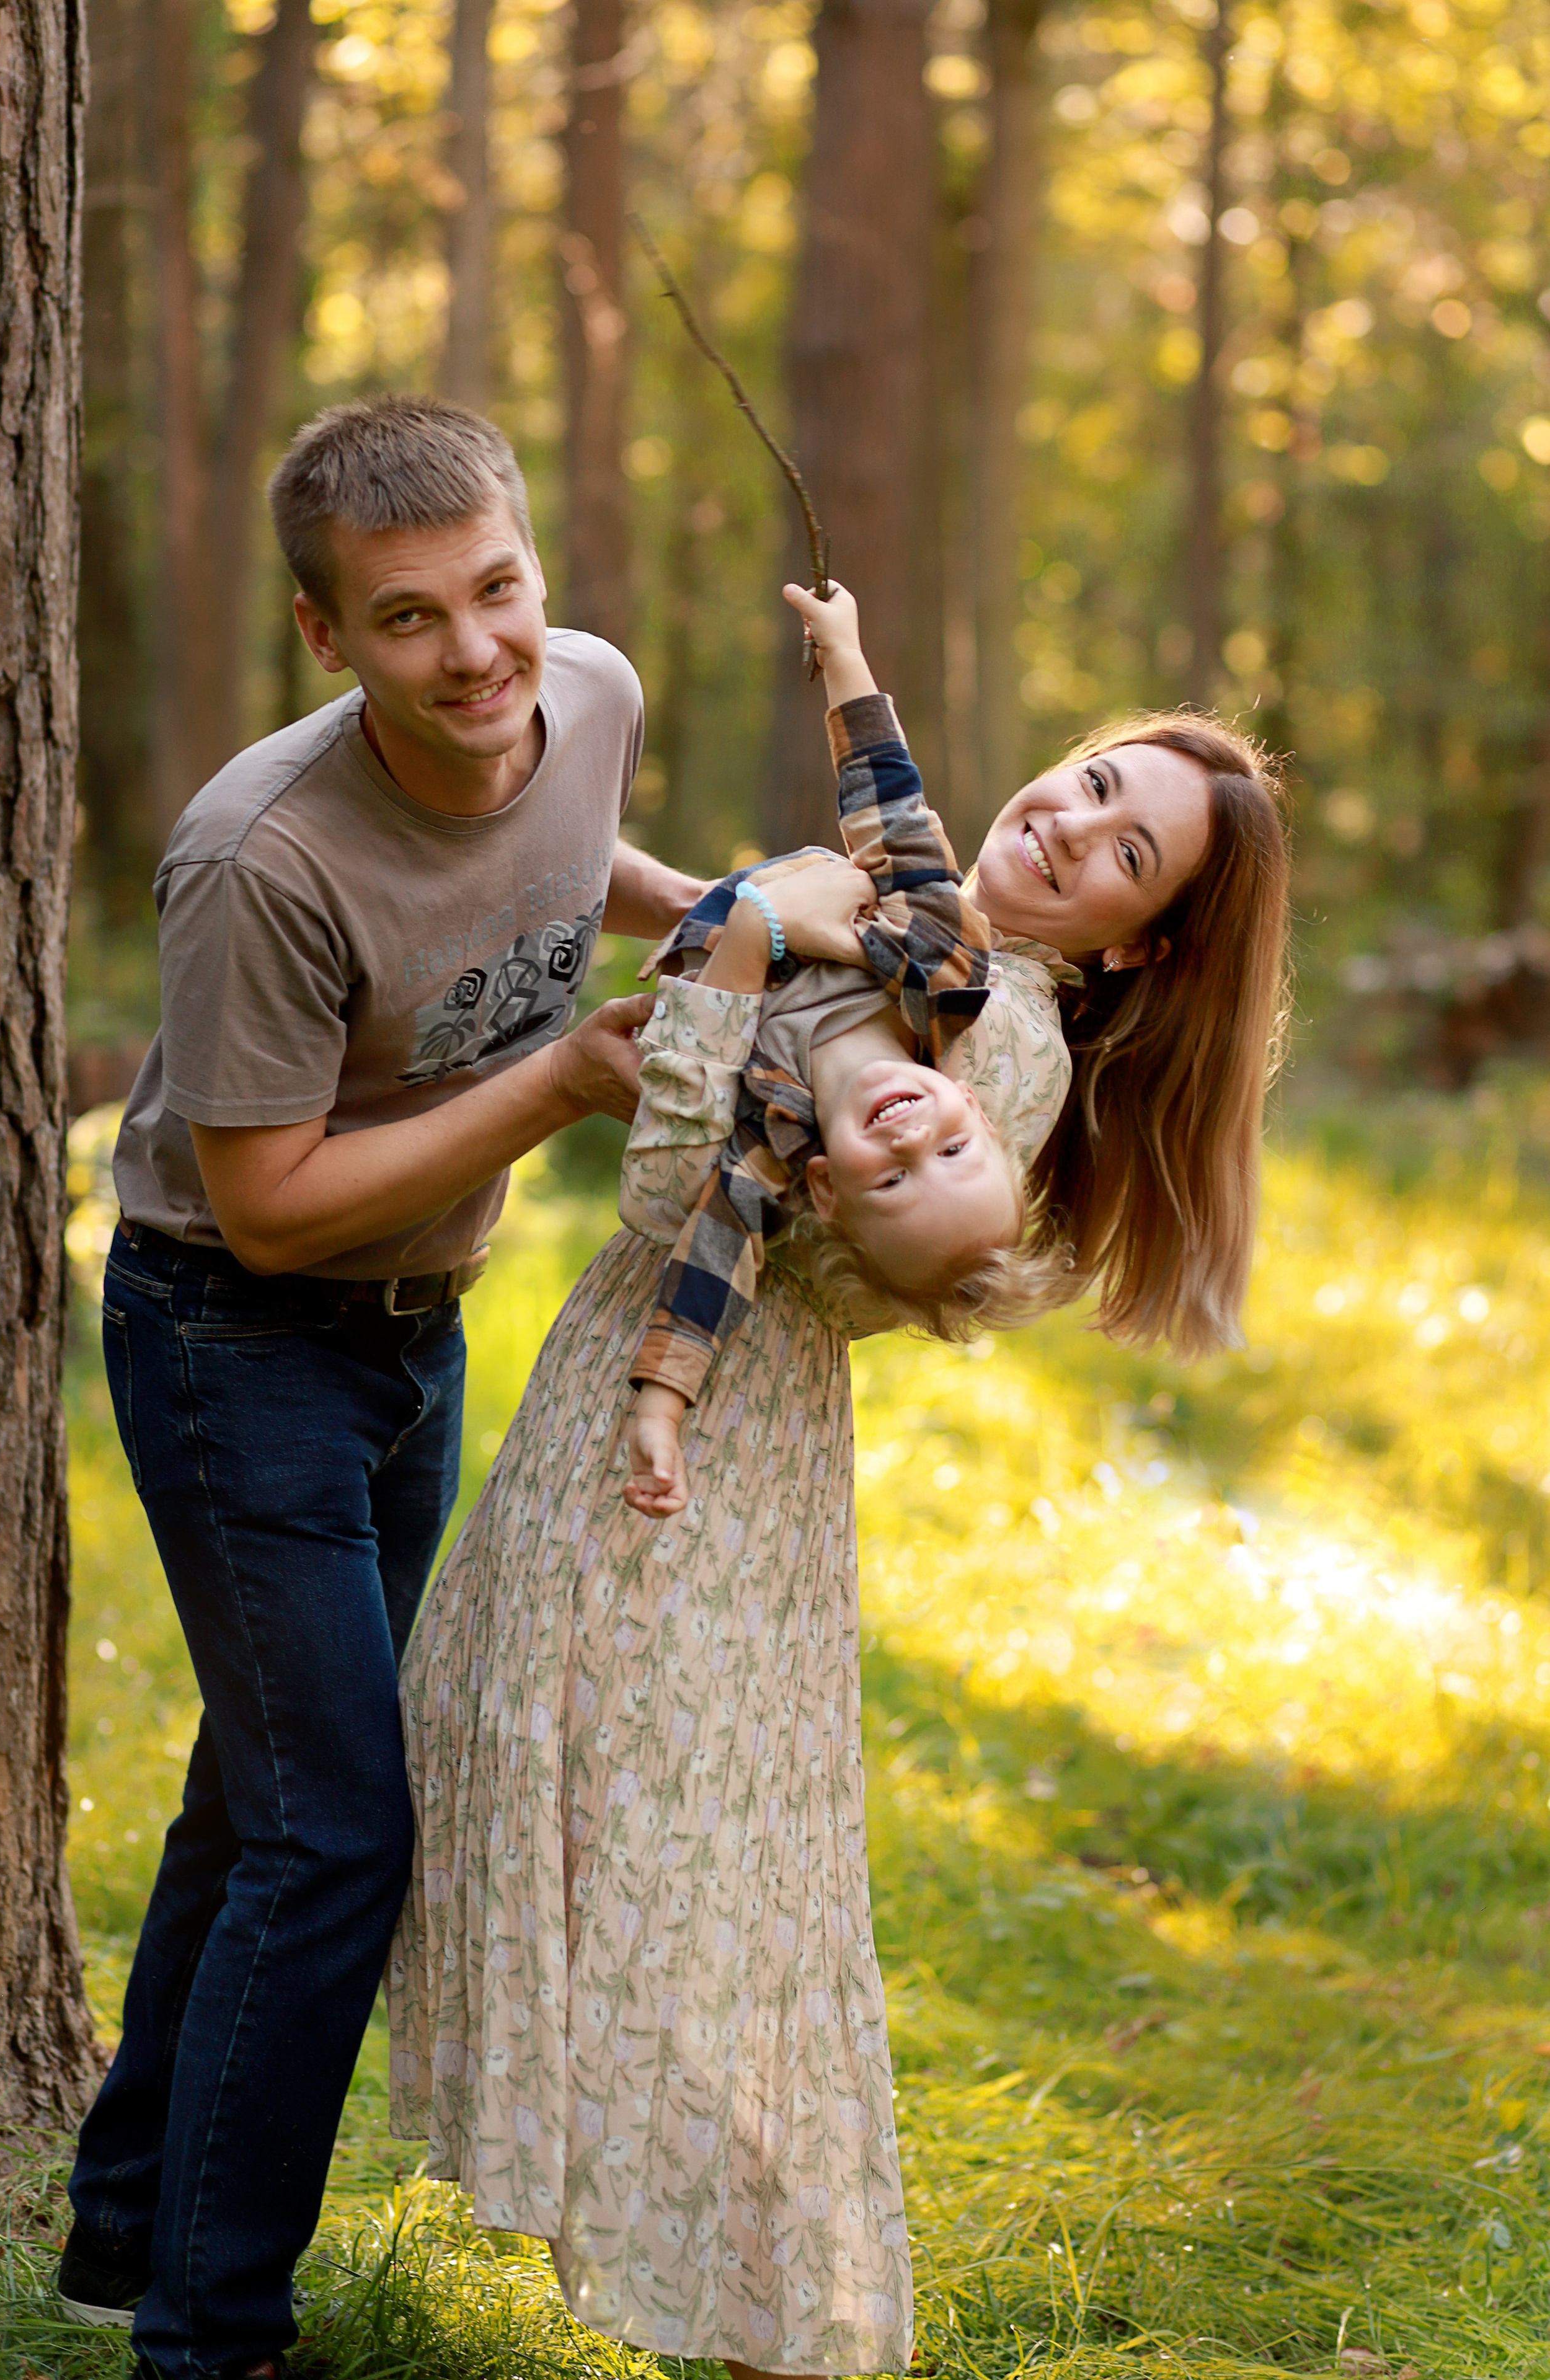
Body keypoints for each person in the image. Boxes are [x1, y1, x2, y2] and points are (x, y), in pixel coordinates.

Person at [388, 583, 1290, 2376]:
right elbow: (878, 830)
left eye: (1126, 853)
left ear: (1138, 945)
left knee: (659, 1865)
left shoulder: (997, 1041)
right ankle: (727, 2291)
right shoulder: (929, 920)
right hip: (650, 1411)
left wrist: (730, 940)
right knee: (616, 1830)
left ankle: (762, 2318)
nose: (1069, 823)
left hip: (705, 1449)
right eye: (1091, 780)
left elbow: (679, 1194)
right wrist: (836, 683)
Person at [57, 394, 706, 2380]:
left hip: (419, 1330)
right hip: (235, 1340)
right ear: (330, 640)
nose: (480, 653)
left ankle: (118, 2234)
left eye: (498, 590)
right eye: (412, 620)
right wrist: (563, 1080)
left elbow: (569, 850)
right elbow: (259, 1213)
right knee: (339, 1835)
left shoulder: (582, 689)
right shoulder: (261, 860)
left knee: (254, 1807)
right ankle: (212, 2334)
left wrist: (722, 920)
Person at [621, 574, 1069, 1520]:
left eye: (894, 1181)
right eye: (951, 1150)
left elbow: (707, 1272)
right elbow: (894, 817)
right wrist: (845, 657)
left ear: (824, 1188)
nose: (912, 1141)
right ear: (978, 1109)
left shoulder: (766, 1142)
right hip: (780, 891)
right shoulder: (942, 973)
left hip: (703, 949)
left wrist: (662, 1409)